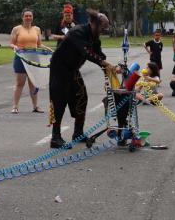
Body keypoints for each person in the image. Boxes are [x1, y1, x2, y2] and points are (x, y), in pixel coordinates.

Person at [49, 9, 118, 149]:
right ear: (94, 24)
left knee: (82, 97)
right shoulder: (78, 32)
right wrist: (104, 64)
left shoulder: (94, 36)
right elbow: (87, 53)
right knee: (59, 102)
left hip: (73, 70)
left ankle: (78, 133)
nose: (104, 30)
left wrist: (112, 67)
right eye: (103, 27)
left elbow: (99, 54)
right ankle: (55, 138)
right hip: (59, 69)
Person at [9, 8, 53, 114]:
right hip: (21, 58)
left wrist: (49, 49)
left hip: (34, 57)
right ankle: (15, 106)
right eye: (26, 16)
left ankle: (35, 106)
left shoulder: (37, 29)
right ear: (22, 17)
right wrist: (15, 47)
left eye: (30, 16)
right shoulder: (17, 29)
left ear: (32, 17)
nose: (28, 18)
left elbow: (39, 44)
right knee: (20, 83)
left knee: (33, 83)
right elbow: (11, 43)